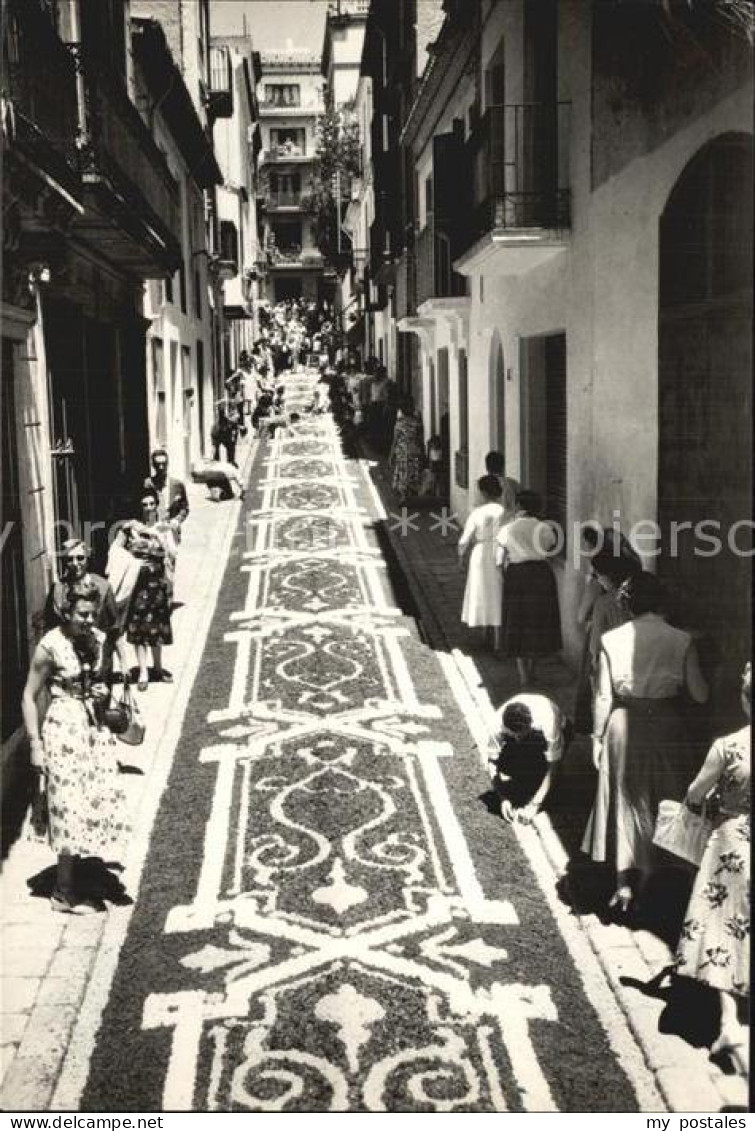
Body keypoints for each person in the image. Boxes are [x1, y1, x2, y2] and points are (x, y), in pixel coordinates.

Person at [582, 571, 709, 913]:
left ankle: (624, 882)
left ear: (629, 602)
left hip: (623, 725)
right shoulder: (681, 640)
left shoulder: (612, 639)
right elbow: (699, 694)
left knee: (626, 798)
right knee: (665, 797)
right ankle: (660, 875)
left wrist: (596, 738)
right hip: (667, 724)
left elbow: (603, 698)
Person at [21, 581, 130, 915]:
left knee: (89, 799)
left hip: (91, 728)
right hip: (63, 728)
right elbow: (28, 695)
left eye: (92, 613)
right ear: (66, 613)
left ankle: (78, 876)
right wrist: (35, 744)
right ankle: (64, 892)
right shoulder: (49, 646)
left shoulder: (97, 640)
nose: (88, 620)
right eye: (82, 614)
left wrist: (101, 693)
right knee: (67, 802)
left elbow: (100, 682)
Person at [674, 663, 750, 1058]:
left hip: (733, 843)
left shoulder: (729, 746)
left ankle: (728, 1021)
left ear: (744, 700)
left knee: (723, 926)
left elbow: (696, 792)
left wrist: (695, 807)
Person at [495, 489, 562, 686]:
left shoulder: (508, 529)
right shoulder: (545, 528)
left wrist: (506, 577)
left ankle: (523, 674)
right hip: (541, 575)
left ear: (517, 506)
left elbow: (499, 560)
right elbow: (550, 548)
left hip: (517, 576)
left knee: (518, 622)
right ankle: (532, 671)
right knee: (537, 622)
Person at [573, 545, 642, 733]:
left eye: (598, 574)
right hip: (633, 653)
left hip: (608, 655)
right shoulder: (637, 594)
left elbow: (595, 643)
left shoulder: (603, 602)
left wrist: (594, 662)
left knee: (605, 697)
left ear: (608, 575)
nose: (597, 578)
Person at [44, 539, 126, 673]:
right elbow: (49, 627)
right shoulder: (57, 590)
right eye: (70, 559)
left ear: (87, 559)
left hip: (99, 663)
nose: (75, 564)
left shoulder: (103, 587)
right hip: (67, 664)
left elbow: (115, 628)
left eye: (80, 558)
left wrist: (124, 663)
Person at [120, 488, 175, 692]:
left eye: (152, 504)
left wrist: (156, 539)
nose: (149, 508)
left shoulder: (163, 528)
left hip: (156, 583)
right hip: (138, 583)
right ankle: (143, 670)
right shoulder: (131, 528)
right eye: (145, 505)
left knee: (157, 627)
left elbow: (172, 553)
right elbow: (120, 551)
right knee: (139, 628)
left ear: (156, 506)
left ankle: (158, 668)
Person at [490, 694, 570, 823]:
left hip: (560, 727)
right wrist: (503, 797)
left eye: (521, 734)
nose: (517, 738)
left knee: (552, 782)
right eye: (513, 735)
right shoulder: (495, 724)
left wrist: (534, 805)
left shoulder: (548, 722)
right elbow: (492, 762)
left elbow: (553, 766)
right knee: (513, 765)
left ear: (530, 724)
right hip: (529, 735)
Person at [458, 475, 505, 651]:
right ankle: (498, 641)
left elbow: (464, 539)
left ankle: (485, 635)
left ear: (484, 492)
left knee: (481, 591)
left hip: (480, 553)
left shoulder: (477, 513)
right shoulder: (505, 512)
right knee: (497, 593)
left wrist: (461, 556)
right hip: (499, 552)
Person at [143, 449, 189, 538]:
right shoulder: (147, 484)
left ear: (167, 464)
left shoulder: (178, 485)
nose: (161, 467)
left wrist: (177, 520)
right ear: (153, 465)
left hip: (172, 532)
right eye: (157, 464)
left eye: (164, 464)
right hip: (152, 532)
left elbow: (184, 508)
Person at [388, 397, 424, 504]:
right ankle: (409, 494)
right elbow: (419, 437)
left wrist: (390, 456)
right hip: (415, 450)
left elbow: (395, 441)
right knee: (413, 471)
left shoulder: (399, 424)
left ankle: (403, 496)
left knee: (403, 472)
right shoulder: (417, 422)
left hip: (403, 452)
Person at [485, 451, 520, 518]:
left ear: (487, 467)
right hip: (510, 523)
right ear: (503, 466)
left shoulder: (480, 485)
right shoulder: (513, 484)